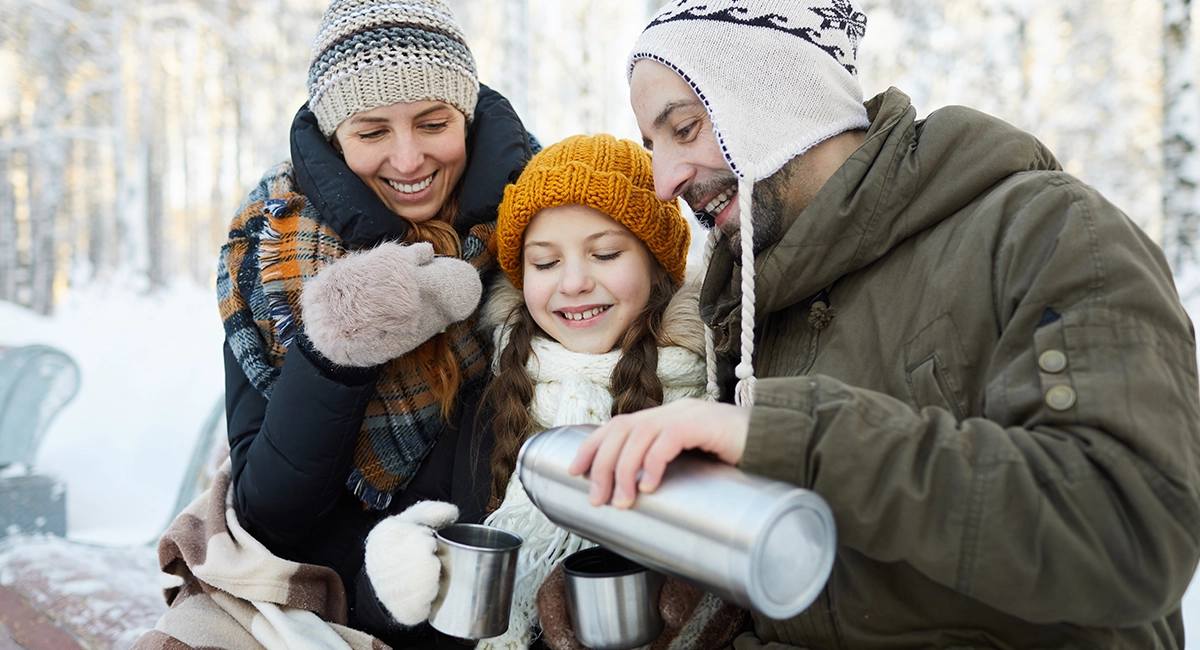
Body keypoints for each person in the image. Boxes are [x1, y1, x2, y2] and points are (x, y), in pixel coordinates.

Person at [568, 1, 1200, 649]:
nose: (664, 181)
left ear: (781, 98)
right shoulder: (750, 304)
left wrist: (797, 438)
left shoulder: (1046, 235)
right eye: (653, 145)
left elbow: (1129, 532)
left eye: (685, 128)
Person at [138, 0, 534, 648]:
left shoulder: (538, 225)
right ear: (333, 135)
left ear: (465, 115)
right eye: (372, 131)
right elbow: (272, 519)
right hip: (317, 602)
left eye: (433, 122)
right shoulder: (269, 253)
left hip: (476, 611)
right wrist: (336, 350)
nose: (408, 160)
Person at [474, 133, 746, 650]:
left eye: (603, 253)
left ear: (655, 263)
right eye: (546, 263)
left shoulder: (714, 387)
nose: (573, 282)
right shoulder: (499, 389)